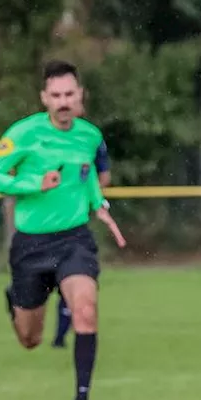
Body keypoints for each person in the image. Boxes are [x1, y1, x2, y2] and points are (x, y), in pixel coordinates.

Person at [0, 60, 125, 400]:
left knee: (86, 310)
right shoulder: (23, 133)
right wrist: (33, 184)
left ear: (80, 95)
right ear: (45, 97)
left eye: (69, 94)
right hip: (30, 244)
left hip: (74, 239)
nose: (63, 101)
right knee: (29, 339)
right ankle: (16, 301)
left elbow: (88, 173)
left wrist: (100, 204)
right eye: (56, 95)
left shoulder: (89, 136)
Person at [53, 138, 111, 348]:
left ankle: (60, 337)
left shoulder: (91, 140)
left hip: (75, 230)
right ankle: (18, 295)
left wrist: (83, 195)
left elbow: (103, 177)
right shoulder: (42, 138)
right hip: (42, 231)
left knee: (75, 285)